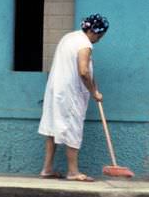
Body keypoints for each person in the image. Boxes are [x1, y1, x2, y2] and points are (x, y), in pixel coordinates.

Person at [38, 13, 109, 182]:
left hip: (55, 90)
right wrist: (93, 92)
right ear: (94, 31)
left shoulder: (69, 37)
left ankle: (47, 169)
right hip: (70, 93)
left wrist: (95, 87)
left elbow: (88, 71)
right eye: (100, 35)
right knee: (73, 129)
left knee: (52, 129)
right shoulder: (84, 44)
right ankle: (73, 172)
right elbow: (83, 71)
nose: (100, 39)